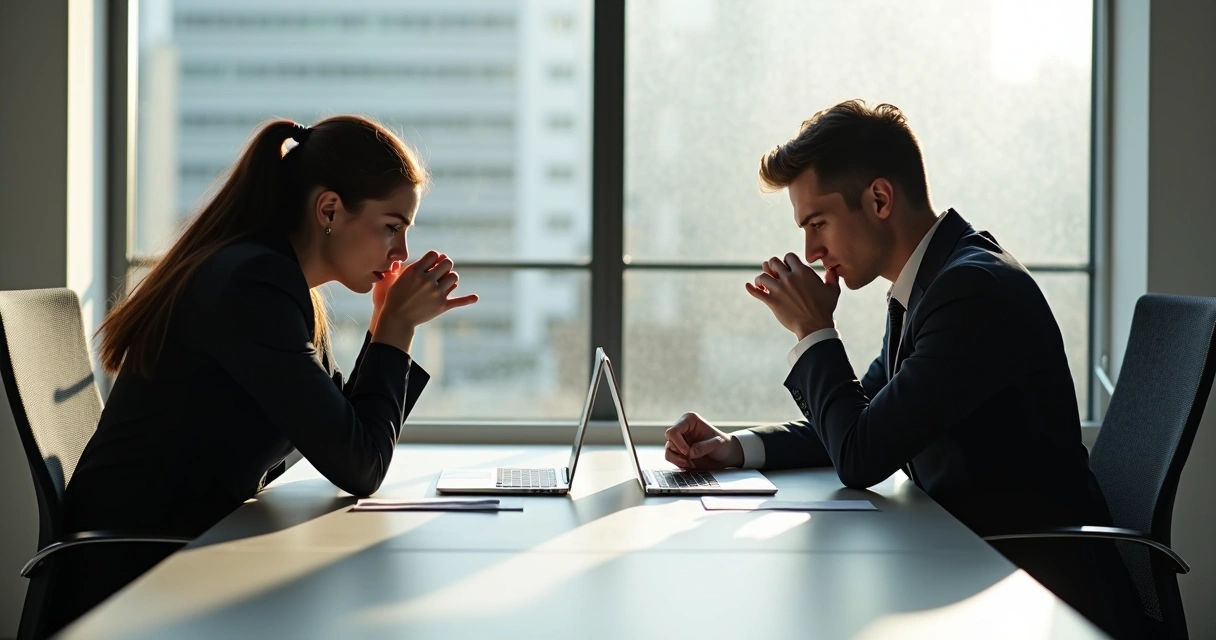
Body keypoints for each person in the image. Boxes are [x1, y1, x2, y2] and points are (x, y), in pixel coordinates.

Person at [663, 100, 1143, 637]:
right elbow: (863, 420)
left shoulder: (970, 292)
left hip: (1036, 594)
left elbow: (861, 455)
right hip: (966, 564)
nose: (811, 250)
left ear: (879, 198)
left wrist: (814, 331)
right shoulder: (927, 287)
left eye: (817, 222)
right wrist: (736, 448)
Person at [51, 116, 476, 632]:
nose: (401, 254)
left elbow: (341, 429)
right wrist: (396, 328)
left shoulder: (280, 284)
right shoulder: (254, 286)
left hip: (192, 552)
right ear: (329, 210)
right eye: (392, 227)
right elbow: (360, 465)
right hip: (137, 575)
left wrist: (386, 326)